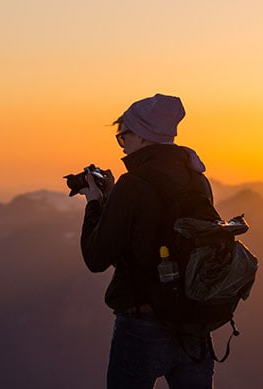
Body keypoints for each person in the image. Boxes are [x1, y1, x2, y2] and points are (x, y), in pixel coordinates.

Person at [80, 93, 216, 389]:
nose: (122, 143)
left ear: (142, 135)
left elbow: (96, 257)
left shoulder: (134, 185)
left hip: (143, 325)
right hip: (193, 323)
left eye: (122, 135)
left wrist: (95, 203)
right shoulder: (197, 180)